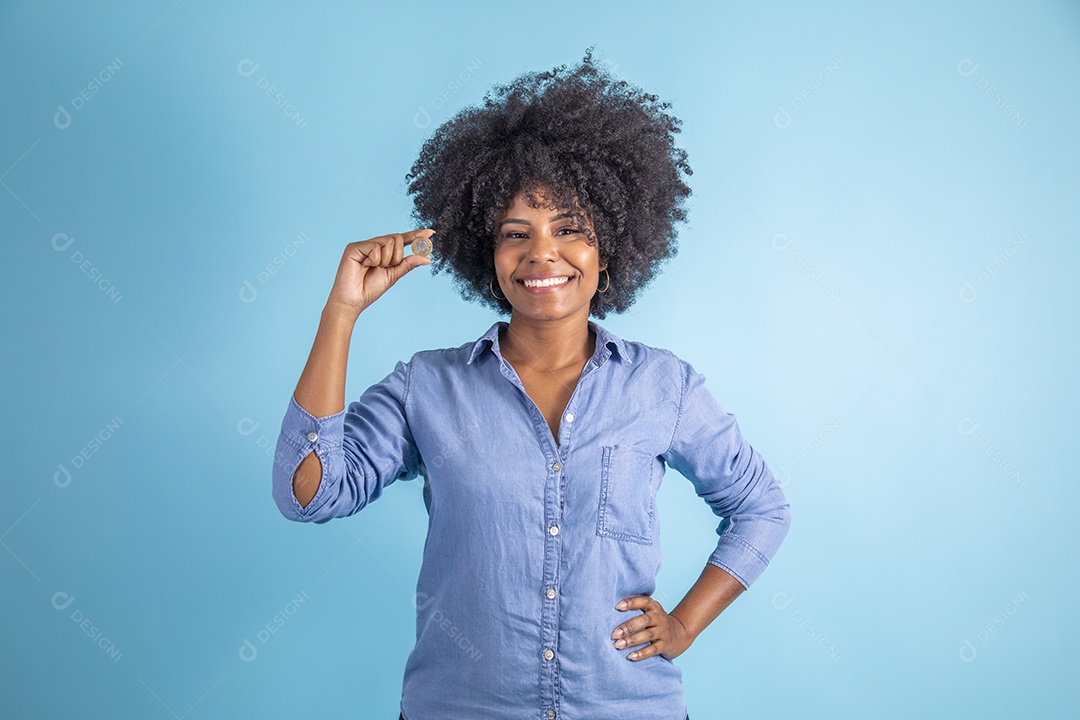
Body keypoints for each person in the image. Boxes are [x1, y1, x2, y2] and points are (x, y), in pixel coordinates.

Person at [272, 48, 791, 720]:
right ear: (488, 258)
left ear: (610, 248)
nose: (543, 253)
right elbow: (306, 493)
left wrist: (686, 623)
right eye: (516, 233)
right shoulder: (427, 388)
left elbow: (762, 508)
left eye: (570, 230)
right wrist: (340, 313)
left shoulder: (664, 387)